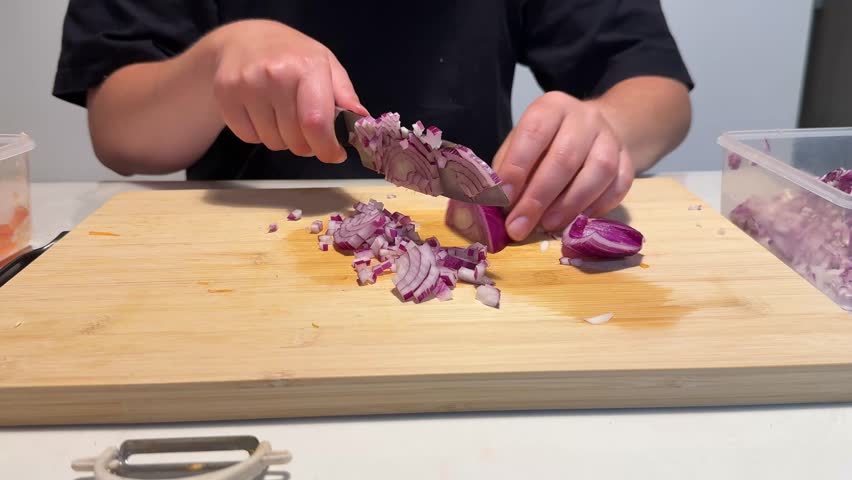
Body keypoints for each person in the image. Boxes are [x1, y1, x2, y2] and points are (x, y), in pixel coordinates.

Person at [52, 1, 693, 242]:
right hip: (220, 245)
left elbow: (656, 89)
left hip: (470, 227)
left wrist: (606, 127)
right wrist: (213, 61)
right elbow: (120, 134)